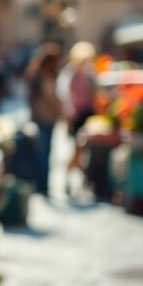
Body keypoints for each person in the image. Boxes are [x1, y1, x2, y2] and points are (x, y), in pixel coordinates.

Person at [59, 41, 97, 195]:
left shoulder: (89, 74)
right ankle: (70, 178)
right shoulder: (70, 74)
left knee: (82, 150)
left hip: (87, 113)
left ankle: (81, 178)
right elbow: (66, 97)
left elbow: (93, 94)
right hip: (76, 115)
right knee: (77, 149)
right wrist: (68, 117)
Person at [25, 43, 64, 196]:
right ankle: (42, 184)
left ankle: (40, 182)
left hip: (40, 117)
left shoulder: (35, 74)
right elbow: (51, 97)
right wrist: (61, 111)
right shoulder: (45, 76)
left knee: (42, 150)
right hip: (47, 117)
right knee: (45, 151)